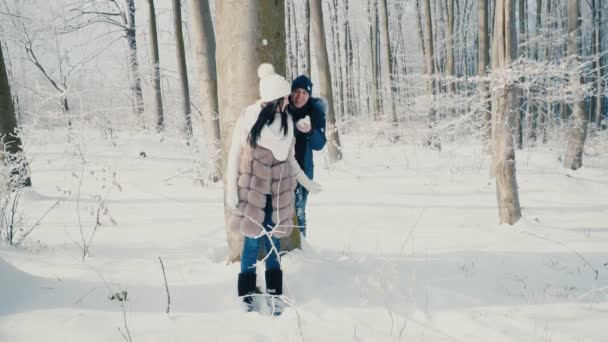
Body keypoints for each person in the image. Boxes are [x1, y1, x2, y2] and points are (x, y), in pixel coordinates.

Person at [226, 64, 321, 313]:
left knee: (274, 245)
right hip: (252, 196)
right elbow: (233, 156)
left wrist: (307, 182)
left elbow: (291, 161)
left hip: (277, 198)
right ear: (274, 99)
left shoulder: (287, 124)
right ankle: (245, 295)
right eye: (284, 98)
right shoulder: (248, 118)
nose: (289, 101)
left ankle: (275, 293)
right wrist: (231, 191)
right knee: (250, 245)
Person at [288, 75, 327, 238]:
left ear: (309, 95)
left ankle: (301, 246)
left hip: (303, 171)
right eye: (296, 91)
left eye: (304, 92)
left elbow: (319, 145)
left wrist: (310, 131)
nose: (299, 96)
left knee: (299, 211)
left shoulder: (315, 112)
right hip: (280, 170)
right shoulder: (283, 108)